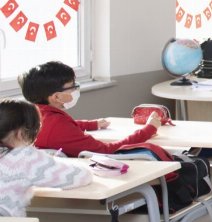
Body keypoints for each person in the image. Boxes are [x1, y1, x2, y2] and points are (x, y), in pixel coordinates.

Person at [18, 61, 161, 157]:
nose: (76, 89)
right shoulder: (58, 125)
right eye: (72, 86)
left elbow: (67, 127)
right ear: (56, 97)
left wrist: (92, 124)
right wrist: (149, 129)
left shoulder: (35, 115)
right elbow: (106, 150)